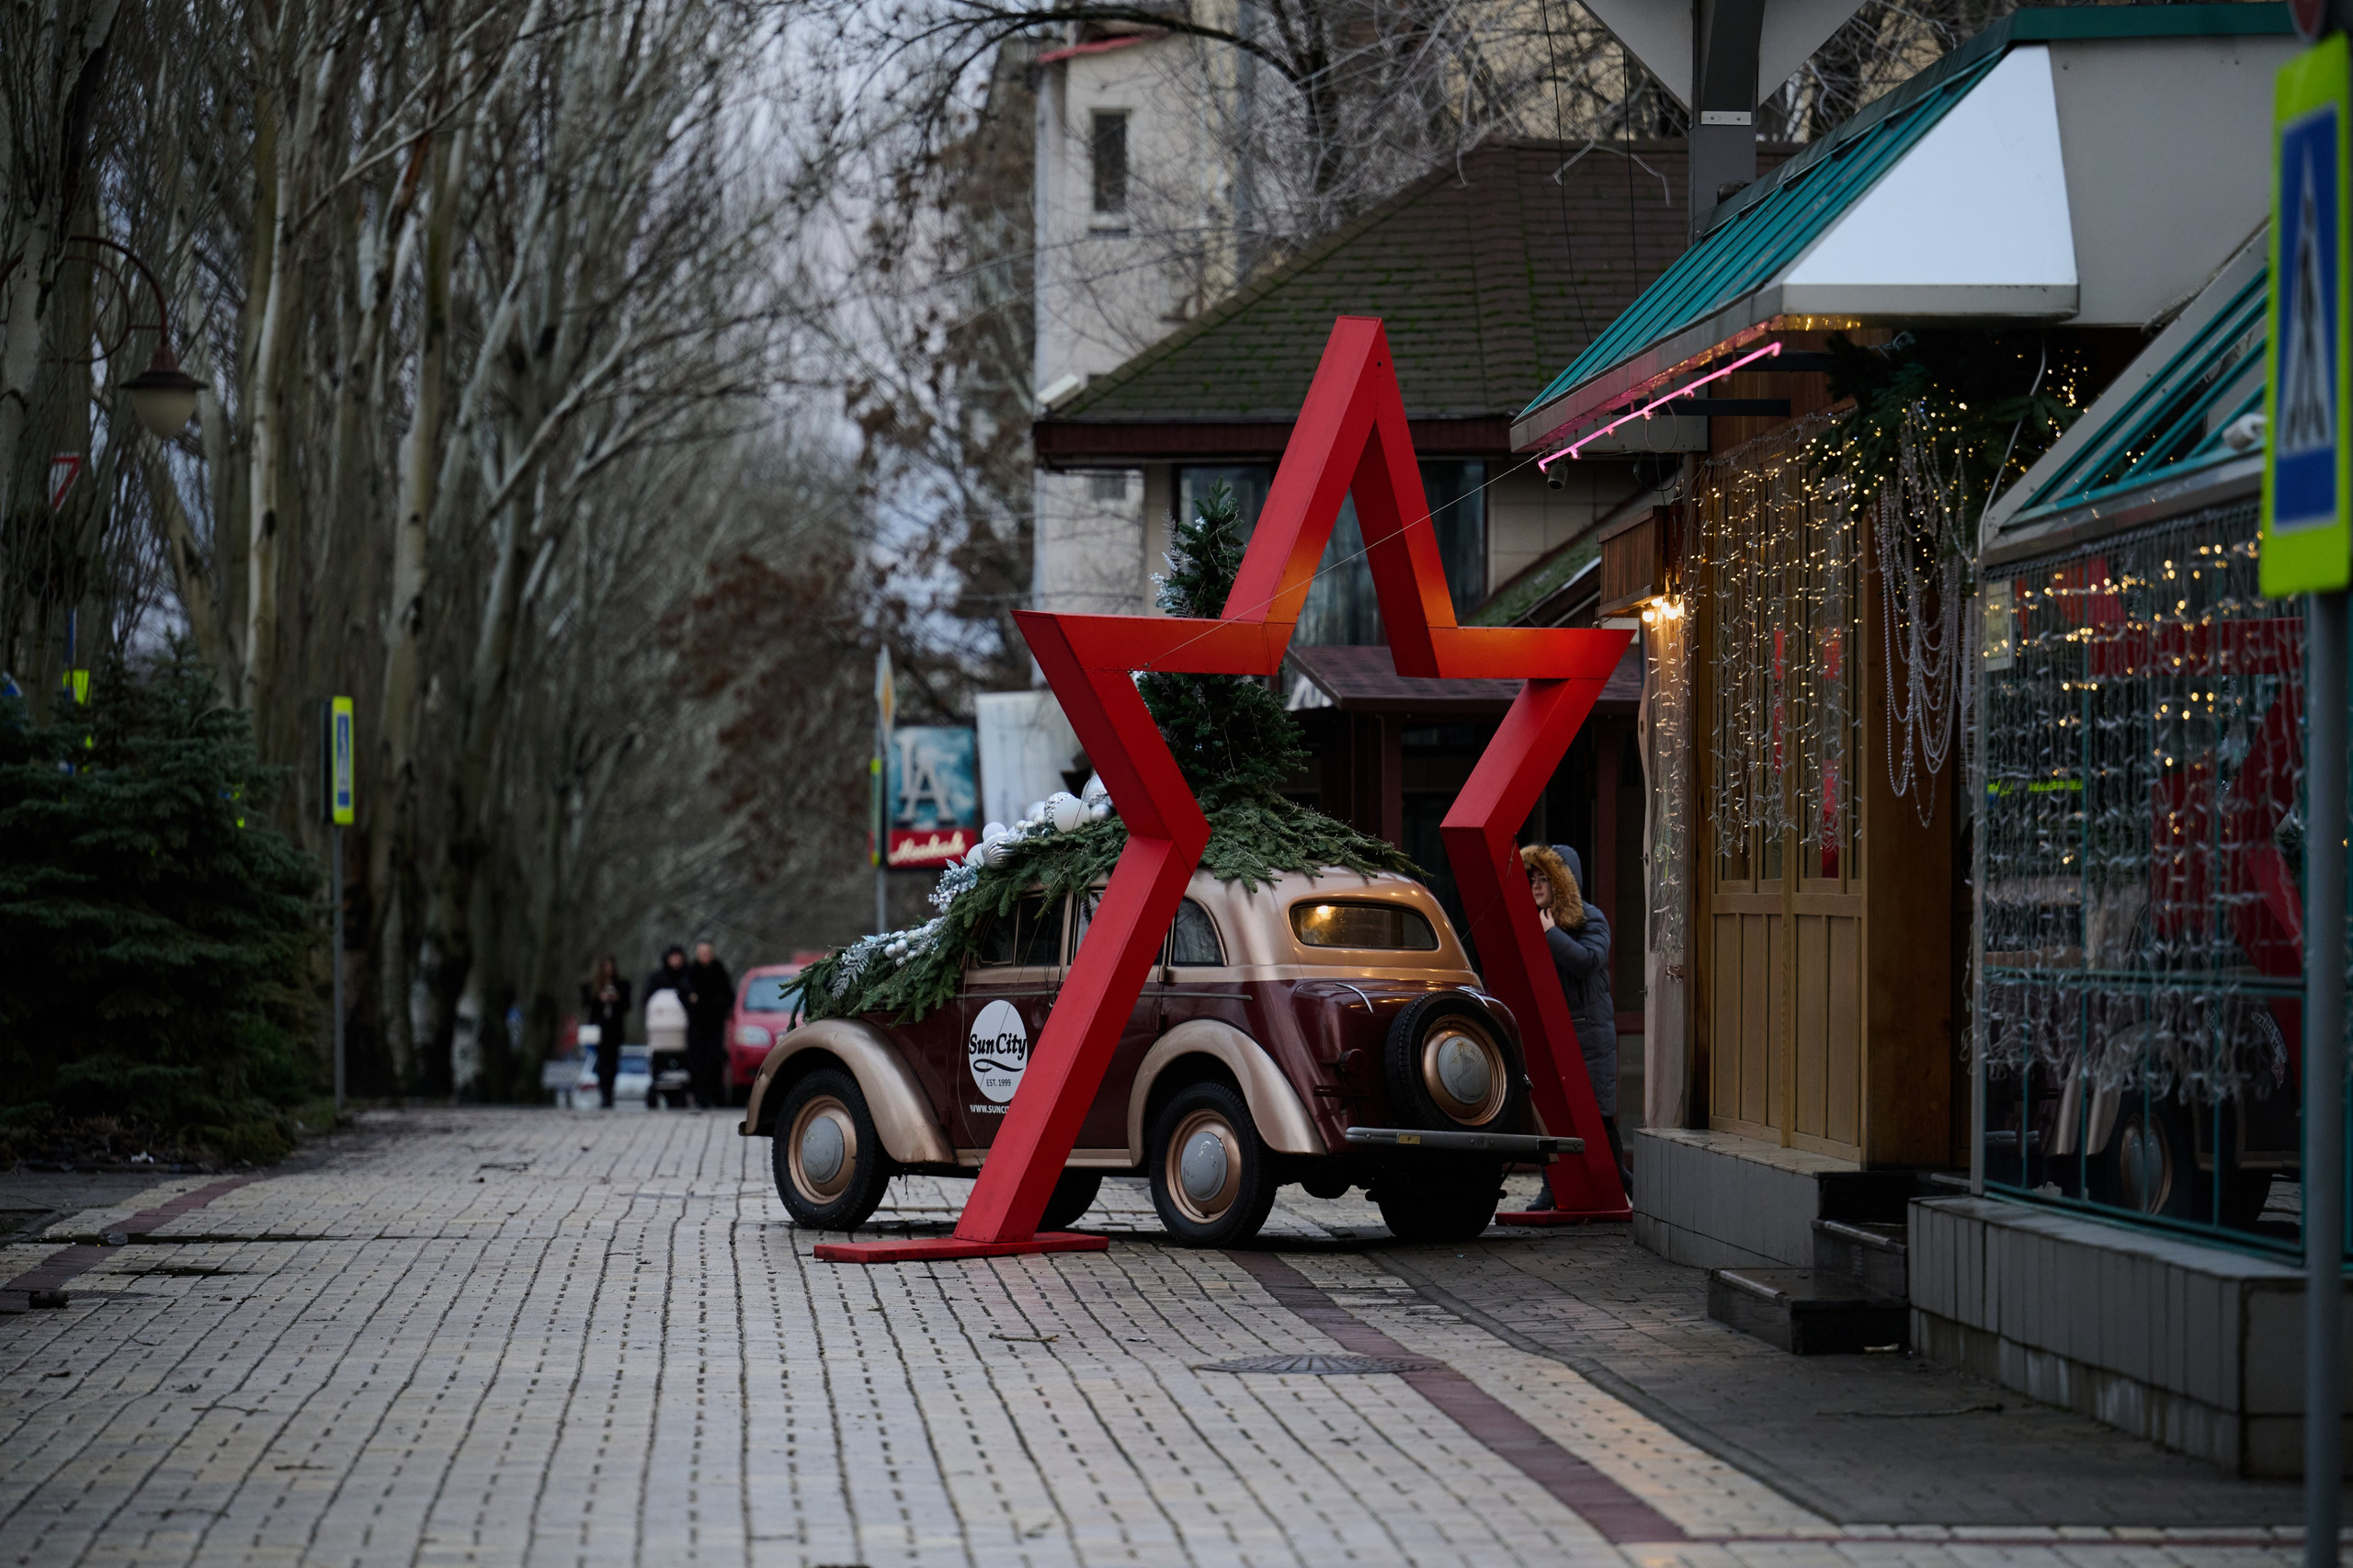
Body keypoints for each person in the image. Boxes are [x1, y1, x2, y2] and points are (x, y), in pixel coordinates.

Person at [1521, 843, 1632, 1205]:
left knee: (1598, 1118)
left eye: (1545, 879)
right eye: (1533, 879)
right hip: (1553, 1034)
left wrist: (1552, 934)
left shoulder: (1590, 919)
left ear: (1564, 883)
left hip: (1590, 1037)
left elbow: (1588, 961)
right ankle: (1552, 1188)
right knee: (1551, 1115)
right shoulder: (1530, 921)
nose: (1537, 886)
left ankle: (1624, 1185)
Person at [684, 939, 734, 1109]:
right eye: (701, 953)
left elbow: (728, 996)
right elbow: (684, 994)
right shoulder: (692, 971)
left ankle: (716, 1096)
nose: (704, 956)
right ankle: (699, 1097)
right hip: (697, 1026)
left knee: (715, 1061)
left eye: (707, 953)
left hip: (714, 1025)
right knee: (697, 1062)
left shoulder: (719, 970)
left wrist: (715, 1003)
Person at [580, 957, 631, 1109]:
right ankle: (604, 1094)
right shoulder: (591, 986)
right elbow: (586, 1005)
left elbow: (627, 1005)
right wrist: (599, 999)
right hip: (598, 1030)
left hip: (614, 1030)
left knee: (612, 1063)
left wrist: (616, 999)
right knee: (602, 1062)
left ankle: (610, 1093)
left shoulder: (622, 985)